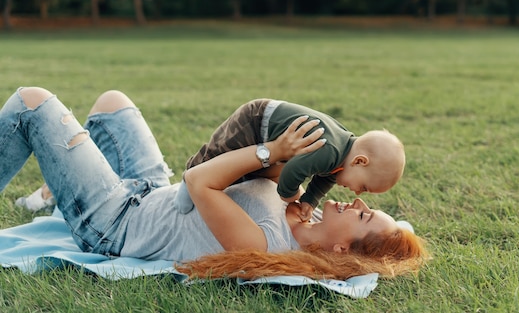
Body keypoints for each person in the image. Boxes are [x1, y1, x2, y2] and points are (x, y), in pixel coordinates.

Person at [0, 87, 427, 280]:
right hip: (154, 193)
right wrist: (290, 164)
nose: (356, 202)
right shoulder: (304, 209)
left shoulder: (265, 244)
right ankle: (59, 188)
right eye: (366, 203)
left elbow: (200, 180)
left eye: (364, 215)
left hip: (115, 224)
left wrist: (273, 152)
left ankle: (73, 196)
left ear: (340, 249)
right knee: (114, 102)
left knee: (31, 103)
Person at [177, 99, 406, 222]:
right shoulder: (328, 152)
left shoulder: (340, 159)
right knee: (222, 151)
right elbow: (292, 172)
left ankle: (222, 181)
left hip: (270, 135)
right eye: (364, 187)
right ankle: (191, 175)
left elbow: (323, 181)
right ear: (360, 161)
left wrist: (309, 200)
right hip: (257, 121)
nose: (358, 193)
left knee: (243, 169)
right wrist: (289, 196)